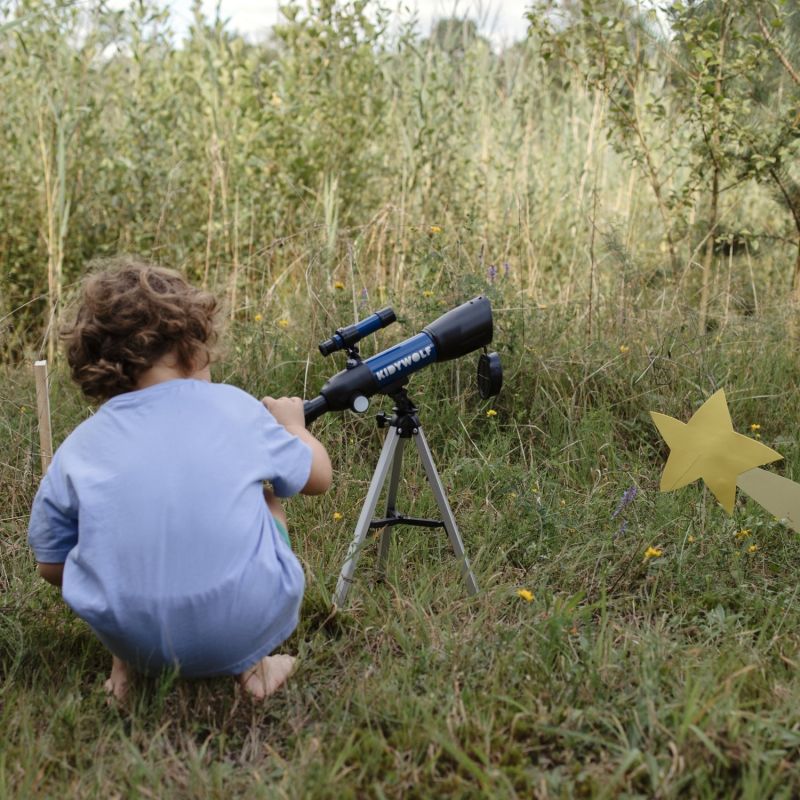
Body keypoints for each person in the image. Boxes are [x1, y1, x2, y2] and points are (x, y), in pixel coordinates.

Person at [27, 257, 332, 702]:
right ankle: (256, 666)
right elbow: (318, 477)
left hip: (131, 637)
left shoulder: (79, 446)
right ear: (191, 346)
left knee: (109, 541)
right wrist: (293, 426)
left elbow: (50, 565)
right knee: (267, 499)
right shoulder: (236, 407)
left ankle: (126, 671)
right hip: (243, 623)